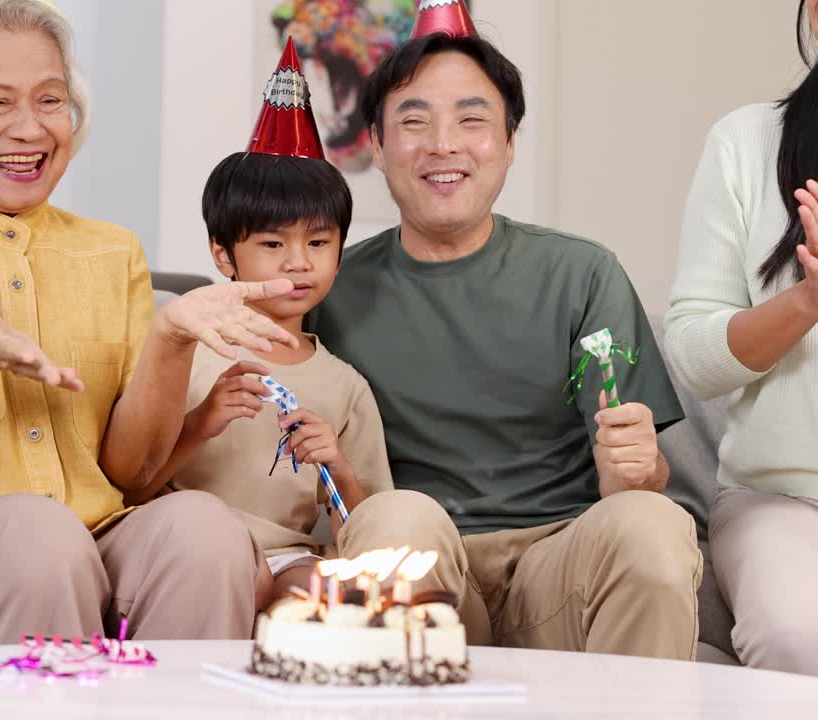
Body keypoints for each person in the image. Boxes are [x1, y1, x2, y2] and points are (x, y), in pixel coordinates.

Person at [0, 0, 296, 646]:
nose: (30, 128)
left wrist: (170, 340)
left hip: (99, 534)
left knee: (205, 532)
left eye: (48, 100)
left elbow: (131, 476)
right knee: (41, 539)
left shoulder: (112, 248)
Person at [307, 1, 701, 659]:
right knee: (400, 518)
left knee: (652, 523)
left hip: (556, 567)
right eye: (414, 121)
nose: (443, 145)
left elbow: (634, 477)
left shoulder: (581, 275)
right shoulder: (330, 289)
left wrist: (639, 466)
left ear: (510, 143)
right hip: (419, 561)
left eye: (472, 119)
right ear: (375, 144)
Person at [124, 40, 393, 610]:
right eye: (272, 244)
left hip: (291, 556)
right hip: (192, 550)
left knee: (332, 599)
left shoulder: (345, 386)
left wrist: (337, 465)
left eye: (318, 243)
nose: (299, 262)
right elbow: (132, 486)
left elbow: (366, 530)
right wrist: (199, 424)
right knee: (231, 577)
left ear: (340, 255)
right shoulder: (186, 350)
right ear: (224, 257)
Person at [665, 0, 818, 677]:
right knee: (798, 640)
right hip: (784, 500)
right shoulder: (748, 141)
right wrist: (807, 301)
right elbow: (696, 358)